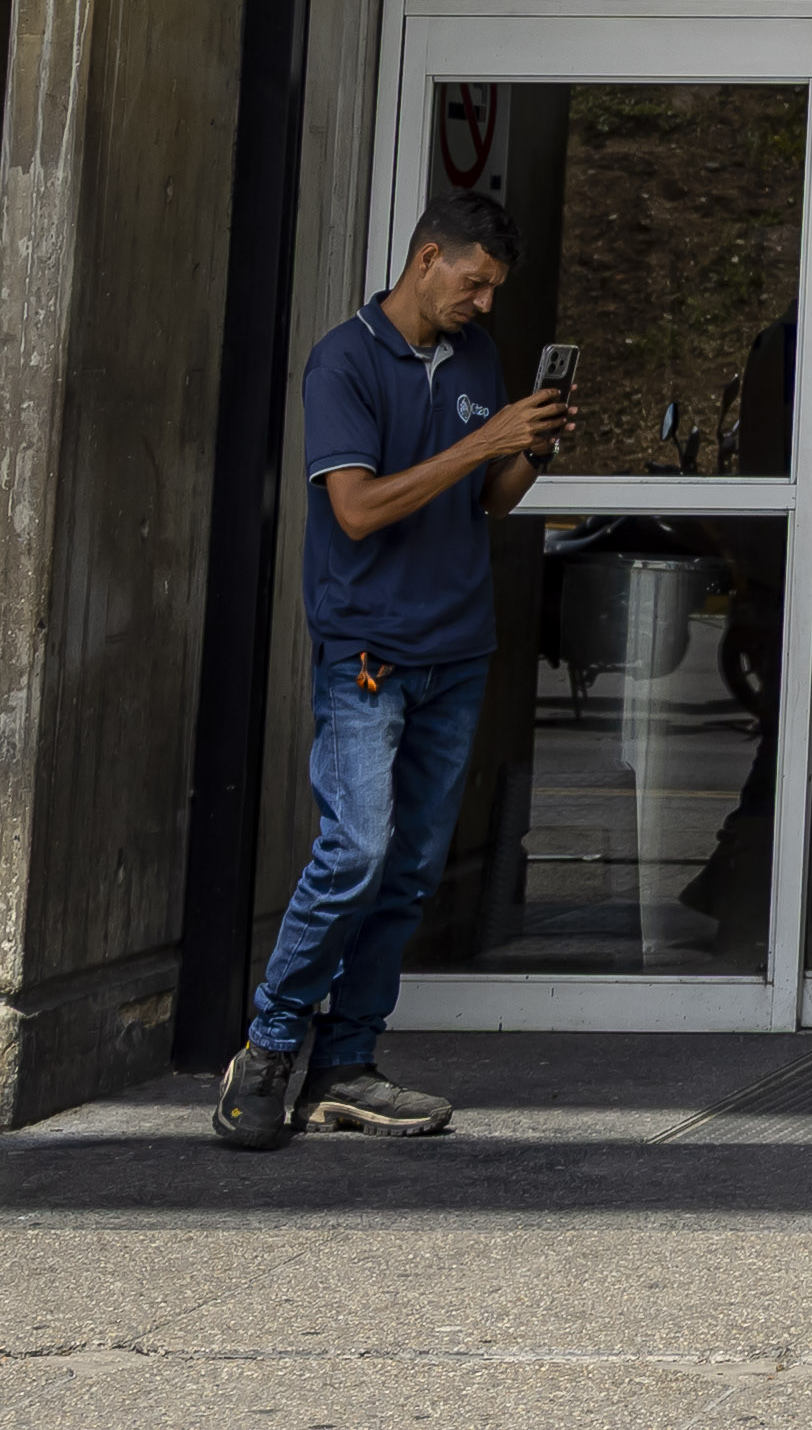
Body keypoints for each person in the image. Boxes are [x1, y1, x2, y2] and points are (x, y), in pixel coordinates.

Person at [212, 193, 568, 1150]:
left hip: (458, 647)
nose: (486, 303)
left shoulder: (479, 358)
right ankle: (269, 1044)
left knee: (409, 872)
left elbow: (486, 501)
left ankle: (347, 1063)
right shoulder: (343, 362)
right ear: (425, 260)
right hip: (368, 651)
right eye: (475, 281)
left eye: (496, 288)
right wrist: (480, 442)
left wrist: (526, 451)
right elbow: (359, 511)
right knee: (356, 852)